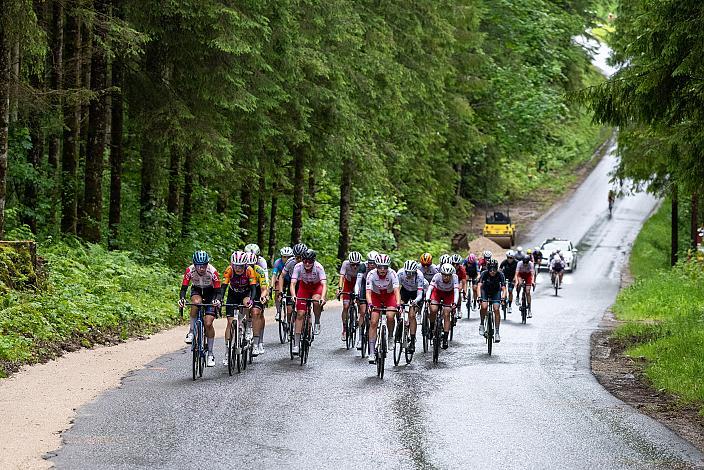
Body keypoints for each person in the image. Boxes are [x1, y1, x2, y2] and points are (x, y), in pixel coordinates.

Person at [179, 250, 222, 367]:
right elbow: (183, 289)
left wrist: (217, 300)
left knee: (208, 323)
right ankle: (191, 331)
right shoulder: (189, 270)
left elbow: (219, 291)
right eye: (199, 266)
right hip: (197, 290)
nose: (202, 268)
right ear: (194, 264)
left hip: (210, 293)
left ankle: (211, 354)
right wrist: (182, 299)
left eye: (204, 265)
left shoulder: (213, 271)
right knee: (195, 302)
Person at [221, 251, 257, 364]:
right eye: (236, 266)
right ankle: (227, 352)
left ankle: (248, 328)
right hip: (233, 295)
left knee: (247, 303)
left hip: (245, 294)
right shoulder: (229, 270)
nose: (238, 269)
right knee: (230, 323)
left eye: (241, 266)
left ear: (245, 265)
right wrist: (220, 298)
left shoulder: (249, 271)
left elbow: (253, 288)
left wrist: (251, 300)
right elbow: (223, 287)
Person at [289, 249, 327, 354]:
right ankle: (296, 344)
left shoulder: (319, 267)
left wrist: (322, 297)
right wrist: (293, 295)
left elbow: (324, 284)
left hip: (316, 287)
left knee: (316, 301)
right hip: (304, 287)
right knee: (300, 314)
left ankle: (317, 321)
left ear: (313, 261)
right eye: (305, 261)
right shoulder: (298, 267)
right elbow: (293, 283)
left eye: (310, 261)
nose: (307, 263)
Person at [365, 253, 401, 364]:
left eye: (385, 267)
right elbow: (368, 292)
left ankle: (390, 335)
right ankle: (371, 352)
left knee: (390, 316)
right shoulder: (371, 274)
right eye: (379, 267)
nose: (382, 269)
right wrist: (370, 304)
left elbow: (396, 291)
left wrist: (398, 304)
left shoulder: (392, 274)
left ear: (388, 267)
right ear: (376, 266)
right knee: (374, 322)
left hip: (389, 296)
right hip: (376, 296)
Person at [426, 263, 459, 350]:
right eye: (444, 275)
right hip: (437, 293)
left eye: (448, 276)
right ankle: (432, 327)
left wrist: (455, 302)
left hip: (449, 294)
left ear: (451, 275)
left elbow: (456, 291)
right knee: (433, 309)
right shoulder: (437, 276)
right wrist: (427, 299)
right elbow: (430, 288)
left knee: (447, 313)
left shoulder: (455, 277)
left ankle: (445, 338)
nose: (446, 277)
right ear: (441, 274)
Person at [396, 260, 424, 353]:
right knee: (397, 307)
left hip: (416, 294)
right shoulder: (400, 273)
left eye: (411, 273)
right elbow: (396, 289)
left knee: (412, 315)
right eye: (407, 272)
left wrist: (415, 301)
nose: (409, 274)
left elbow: (420, 294)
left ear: (415, 271)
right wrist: (398, 302)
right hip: (405, 291)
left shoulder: (419, 276)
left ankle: (412, 341)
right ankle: (400, 323)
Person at [477, 259, 507, 342]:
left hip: (495, 292)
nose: (492, 272)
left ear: (497, 269)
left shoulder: (500, 274)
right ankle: (482, 324)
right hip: (485, 291)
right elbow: (479, 286)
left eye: (494, 270)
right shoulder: (484, 274)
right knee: (484, 306)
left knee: (496, 309)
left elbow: (504, 288)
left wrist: (503, 297)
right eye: (490, 270)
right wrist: (479, 297)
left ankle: (497, 332)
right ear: (488, 269)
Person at [278, 243, 308, 328]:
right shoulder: (290, 262)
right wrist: (280, 291)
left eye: (301, 257)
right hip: (293, 283)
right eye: (296, 257)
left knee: (304, 308)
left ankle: (307, 324)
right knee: (289, 309)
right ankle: (288, 323)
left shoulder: (308, 262)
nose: (298, 259)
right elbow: (282, 276)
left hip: (304, 284)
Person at [246, 252, 269, 355]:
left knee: (256, 312)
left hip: (257, 290)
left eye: (251, 265)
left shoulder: (259, 270)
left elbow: (264, 287)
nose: (249, 267)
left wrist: (264, 295)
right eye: (247, 265)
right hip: (245, 290)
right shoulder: (240, 270)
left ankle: (257, 344)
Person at [354, 251, 376, 349]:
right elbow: (358, 283)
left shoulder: (380, 268)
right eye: (370, 262)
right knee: (362, 312)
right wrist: (356, 293)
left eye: (373, 263)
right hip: (364, 286)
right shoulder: (363, 267)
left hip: (375, 288)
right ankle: (360, 338)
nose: (371, 265)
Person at [338, 251, 362, 342]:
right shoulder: (345, 264)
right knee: (346, 306)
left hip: (358, 283)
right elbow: (341, 276)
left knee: (361, 302)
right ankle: (344, 329)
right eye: (352, 264)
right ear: (349, 263)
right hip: (348, 283)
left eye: (357, 264)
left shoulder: (362, 266)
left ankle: (359, 317)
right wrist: (340, 288)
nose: (355, 266)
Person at [271, 246, 293, 321]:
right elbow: (274, 275)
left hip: (291, 280)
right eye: (284, 257)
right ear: (281, 257)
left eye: (288, 257)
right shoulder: (277, 262)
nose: (286, 259)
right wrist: (271, 286)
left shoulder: (293, 262)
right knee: (277, 290)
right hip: (282, 279)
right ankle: (278, 311)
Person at [514, 252, 534, 317]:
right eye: (524, 263)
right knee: (519, 284)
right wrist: (517, 281)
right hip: (521, 274)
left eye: (526, 263)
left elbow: (532, 274)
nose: (525, 264)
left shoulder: (531, 264)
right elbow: (516, 274)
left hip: (528, 275)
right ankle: (517, 296)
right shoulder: (519, 263)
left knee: (528, 292)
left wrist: (533, 281)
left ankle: (530, 310)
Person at [451, 254, 467, 318]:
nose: (455, 266)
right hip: (450, 280)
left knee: (458, 289)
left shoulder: (462, 269)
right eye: (453, 264)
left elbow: (464, 282)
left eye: (457, 264)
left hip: (458, 280)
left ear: (459, 264)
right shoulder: (449, 267)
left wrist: (464, 291)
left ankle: (459, 309)